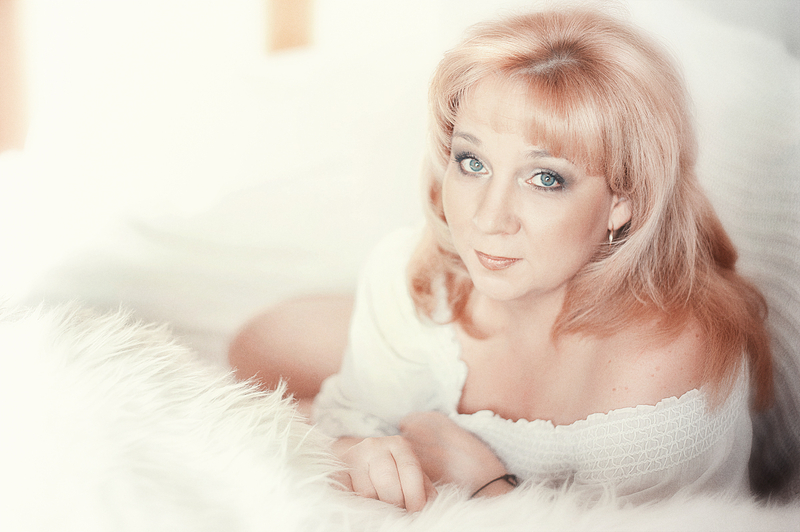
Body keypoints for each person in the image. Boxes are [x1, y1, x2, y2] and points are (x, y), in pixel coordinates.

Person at [228, 7, 773, 513]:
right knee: (253, 347)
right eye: (473, 162)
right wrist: (351, 448)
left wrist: (488, 484)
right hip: (432, 310)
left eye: (545, 178)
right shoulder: (408, 274)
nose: (488, 219)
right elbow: (351, 425)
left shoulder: (663, 370)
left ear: (622, 202)